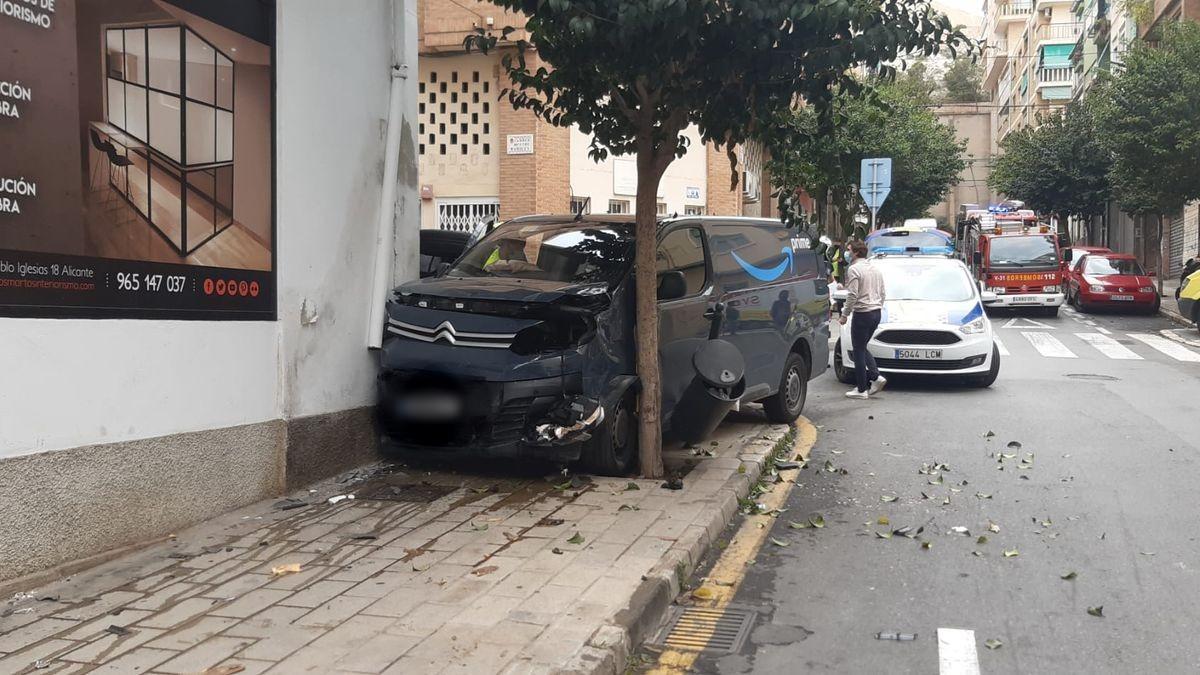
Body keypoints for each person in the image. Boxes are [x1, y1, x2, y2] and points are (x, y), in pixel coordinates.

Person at [839, 240, 887, 400]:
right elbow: (882, 292)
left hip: (862, 313)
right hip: (876, 313)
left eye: (848, 250)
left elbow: (852, 294)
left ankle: (861, 389)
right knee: (862, 347)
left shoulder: (854, 269)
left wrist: (845, 314)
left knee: (858, 350)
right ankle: (876, 377)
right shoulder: (875, 269)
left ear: (856, 252)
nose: (847, 253)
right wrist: (878, 305)